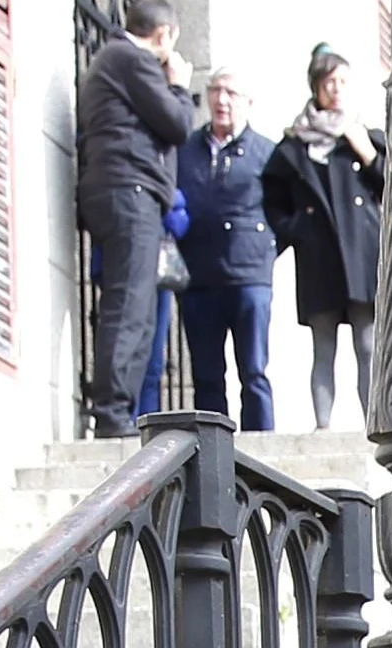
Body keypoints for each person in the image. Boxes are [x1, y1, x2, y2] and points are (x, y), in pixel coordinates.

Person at [75, 0, 193, 436]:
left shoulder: (112, 60)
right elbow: (178, 123)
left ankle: (118, 410)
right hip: (130, 193)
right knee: (129, 306)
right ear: (163, 36)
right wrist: (179, 85)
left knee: (134, 305)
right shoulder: (132, 59)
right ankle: (112, 414)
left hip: (119, 192)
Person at [262, 45, 382, 432]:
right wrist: (299, 231)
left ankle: (374, 426)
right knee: (323, 347)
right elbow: (272, 200)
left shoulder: (365, 135)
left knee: (368, 346)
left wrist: (368, 153)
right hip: (319, 258)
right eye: (329, 81)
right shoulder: (294, 146)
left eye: (343, 81)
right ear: (315, 86)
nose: (336, 89)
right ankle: (324, 429)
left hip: (362, 257)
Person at [174, 74, 280, 431]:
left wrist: (265, 247)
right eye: (215, 91)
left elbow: (288, 211)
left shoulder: (267, 153)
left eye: (232, 92)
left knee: (253, 371)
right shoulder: (185, 151)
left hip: (249, 277)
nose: (222, 100)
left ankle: (262, 452)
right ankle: (212, 456)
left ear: (248, 102)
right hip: (199, 277)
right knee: (206, 376)